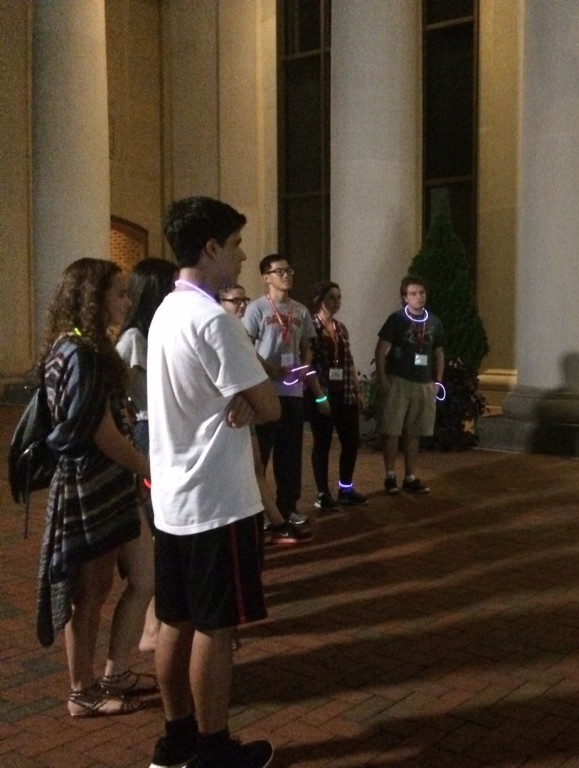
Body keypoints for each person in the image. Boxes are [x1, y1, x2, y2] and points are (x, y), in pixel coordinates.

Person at [147, 196, 279, 768]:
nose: (243, 255)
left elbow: (221, 397)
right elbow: (270, 404)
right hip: (217, 498)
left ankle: (175, 737)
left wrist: (243, 400)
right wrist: (250, 400)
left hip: (175, 496)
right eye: (235, 244)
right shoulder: (212, 319)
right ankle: (213, 746)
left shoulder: (165, 313)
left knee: (174, 618)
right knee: (215, 626)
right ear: (210, 248)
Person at [36, 258, 152, 717]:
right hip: (93, 482)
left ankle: (112, 673)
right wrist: (145, 466)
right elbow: (100, 431)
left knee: (138, 578)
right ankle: (81, 691)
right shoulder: (80, 352)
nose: (125, 300)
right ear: (92, 297)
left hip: (104, 480)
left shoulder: (78, 346)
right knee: (90, 591)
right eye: (118, 293)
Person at [219, 283, 312, 546]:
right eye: (234, 300)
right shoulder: (221, 328)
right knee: (248, 466)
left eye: (243, 299)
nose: (240, 305)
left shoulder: (237, 329)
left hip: (250, 404)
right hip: (233, 408)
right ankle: (263, 519)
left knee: (258, 465)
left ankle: (276, 518)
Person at [116, 257, 178, 654]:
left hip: (162, 432)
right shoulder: (134, 338)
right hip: (147, 433)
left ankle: (160, 621)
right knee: (160, 529)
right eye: (170, 284)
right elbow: (123, 396)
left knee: (167, 529)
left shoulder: (156, 331)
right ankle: (154, 626)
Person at [243, 255, 326, 523]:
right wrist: (271, 369)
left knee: (290, 451)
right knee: (262, 452)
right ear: (266, 277)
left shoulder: (300, 311)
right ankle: (262, 511)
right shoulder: (256, 309)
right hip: (265, 389)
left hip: (292, 391)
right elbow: (246, 347)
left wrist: (304, 365)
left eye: (289, 270)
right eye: (279, 271)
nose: (286, 275)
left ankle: (288, 506)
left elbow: (307, 345)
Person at [374, 274, 446, 494]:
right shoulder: (397, 319)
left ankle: (411, 475)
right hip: (399, 380)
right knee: (392, 429)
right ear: (405, 297)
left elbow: (439, 352)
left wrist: (438, 381)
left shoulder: (434, 322)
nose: (419, 297)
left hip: (424, 382)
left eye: (422, 293)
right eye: (413, 293)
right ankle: (390, 475)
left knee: (414, 431)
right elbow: (381, 350)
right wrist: (384, 378)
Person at [308, 280, 368, 508]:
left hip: (344, 393)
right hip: (323, 392)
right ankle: (323, 493)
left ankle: (346, 488)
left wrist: (357, 389)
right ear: (320, 300)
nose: (336, 302)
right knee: (322, 444)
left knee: (351, 442)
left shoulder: (341, 328)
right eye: (332, 297)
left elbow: (348, 361)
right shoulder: (311, 327)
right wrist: (319, 396)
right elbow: (309, 363)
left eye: (339, 298)